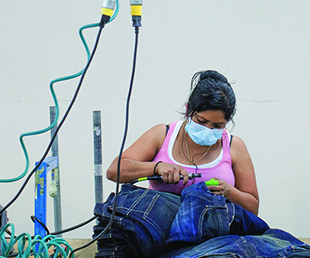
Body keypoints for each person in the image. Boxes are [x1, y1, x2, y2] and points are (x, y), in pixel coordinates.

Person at [106, 70, 259, 215]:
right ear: (188, 110)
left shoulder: (234, 147)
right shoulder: (162, 135)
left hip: (213, 235)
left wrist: (229, 192)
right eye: (201, 121)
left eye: (217, 126)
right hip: (160, 232)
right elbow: (114, 171)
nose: (208, 130)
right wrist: (156, 168)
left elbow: (253, 208)